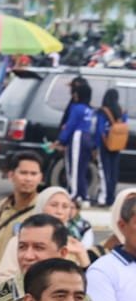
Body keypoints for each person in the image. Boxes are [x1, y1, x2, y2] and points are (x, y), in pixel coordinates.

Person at [0, 151, 44, 284]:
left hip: (18, 287)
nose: (28, 179)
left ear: (40, 178)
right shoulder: (4, 205)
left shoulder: (42, 210)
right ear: (11, 175)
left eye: (33, 174)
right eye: (23, 173)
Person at [58, 77, 99, 206]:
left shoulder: (77, 108)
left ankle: (74, 194)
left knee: (74, 168)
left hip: (77, 137)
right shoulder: (90, 110)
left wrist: (62, 140)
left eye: (76, 93)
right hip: (87, 137)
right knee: (82, 168)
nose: (74, 95)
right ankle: (84, 195)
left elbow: (70, 125)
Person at [96, 88, 126, 210]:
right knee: (114, 172)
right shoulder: (121, 111)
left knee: (104, 171)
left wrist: (99, 144)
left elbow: (100, 130)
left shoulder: (103, 111)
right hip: (117, 145)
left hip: (105, 145)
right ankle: (111, 197)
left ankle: (104, 197)